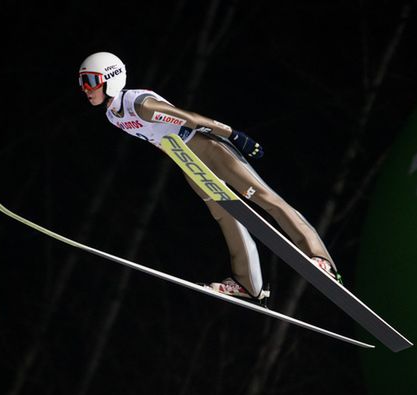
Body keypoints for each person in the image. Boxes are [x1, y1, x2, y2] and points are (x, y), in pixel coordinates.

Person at [78, 51, 339, 300]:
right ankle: (249, 284)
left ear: (111, 79)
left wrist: (234, 135)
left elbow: (189, 118)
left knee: (265, 198)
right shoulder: (113, 116)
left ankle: (320, 259)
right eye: (82, 82)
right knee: (225, 215)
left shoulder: (139, 104)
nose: (86, 89)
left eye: (90, 81)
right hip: (186, 160)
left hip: (210, 149)